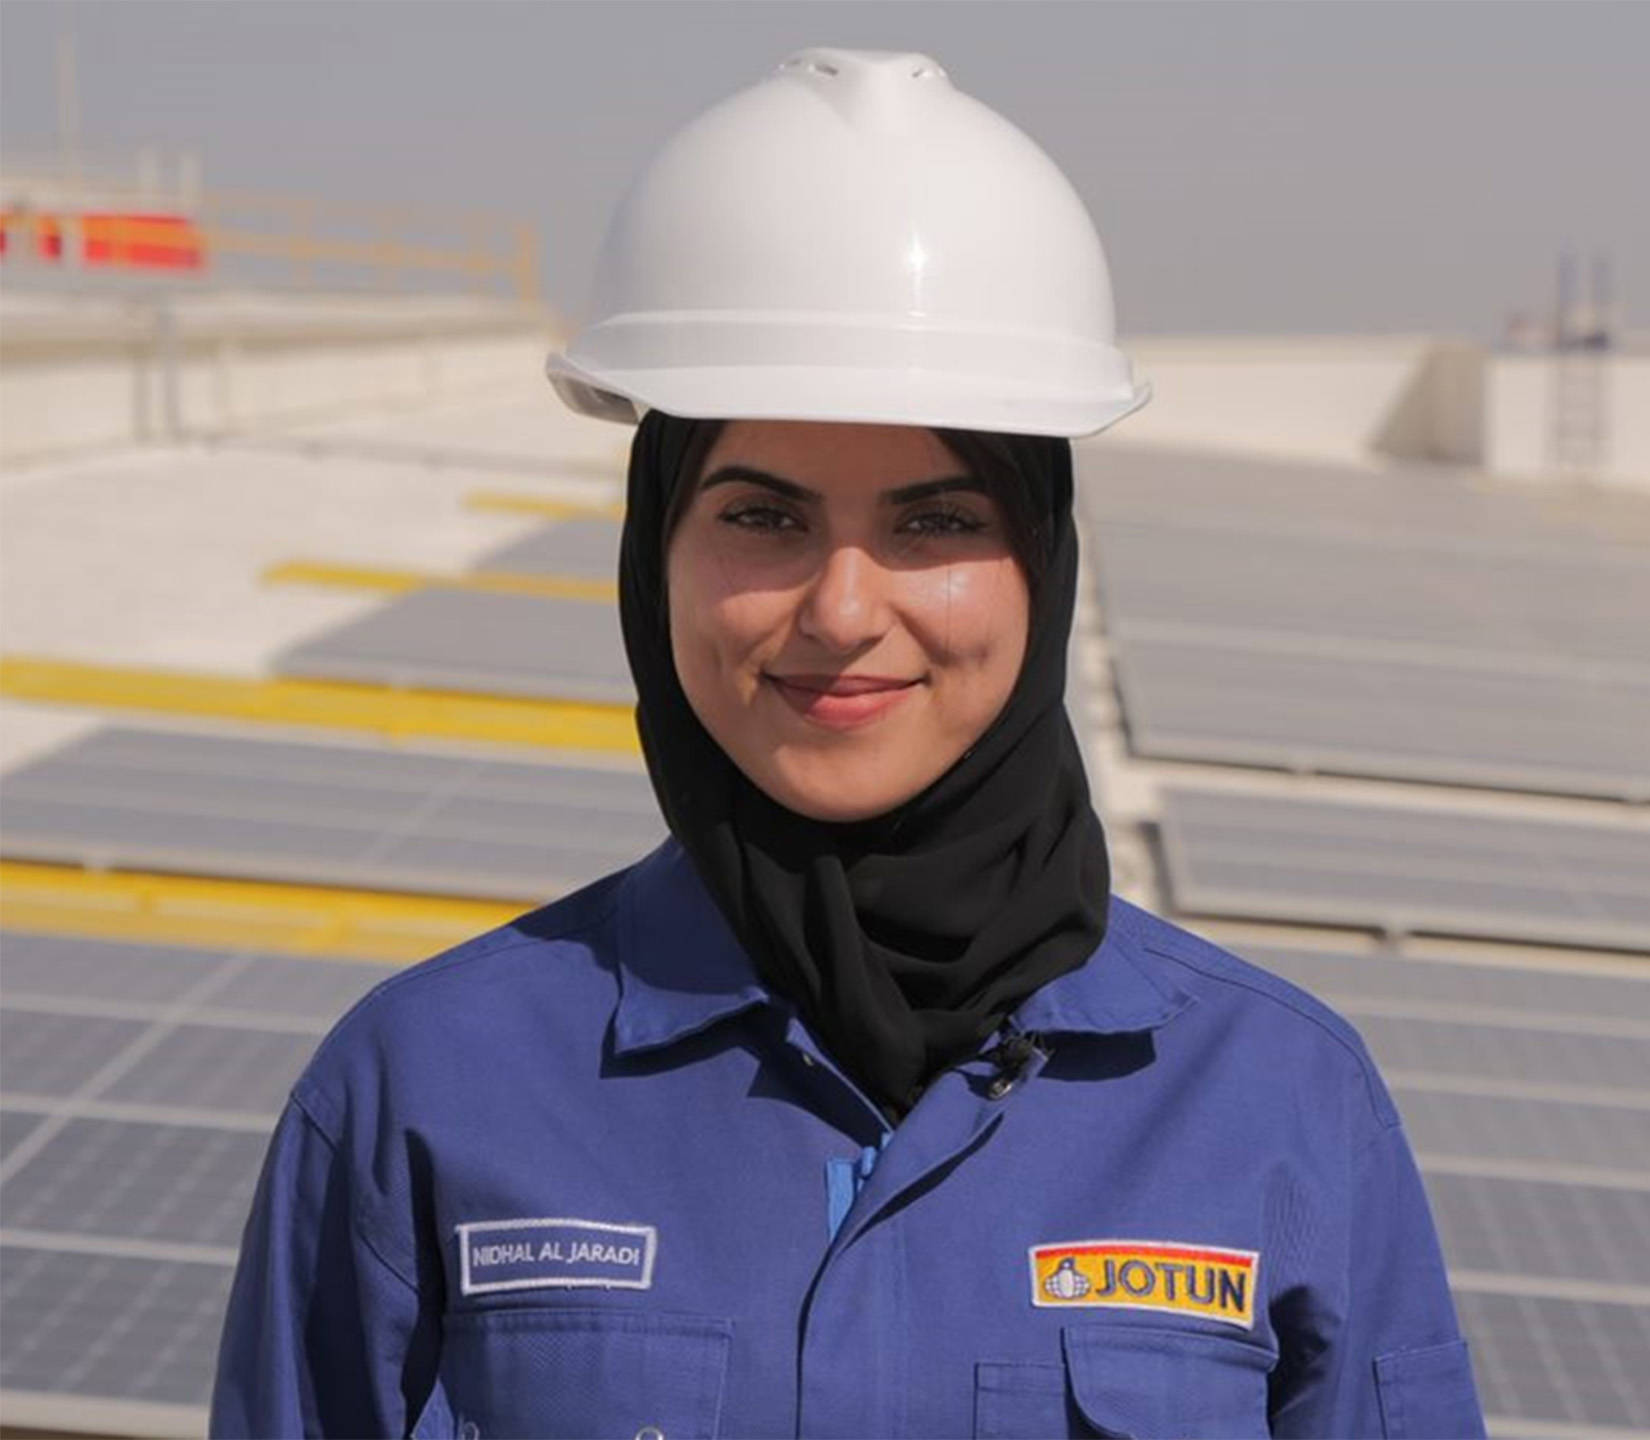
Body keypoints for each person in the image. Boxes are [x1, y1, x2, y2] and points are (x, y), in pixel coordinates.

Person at [210, 47, 1485, 1440]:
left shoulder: (1278, 1103)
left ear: (1042, 567)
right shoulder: (423, 1087)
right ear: (654, 559)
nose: (842, 608)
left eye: (938, 523)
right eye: (763, 518)